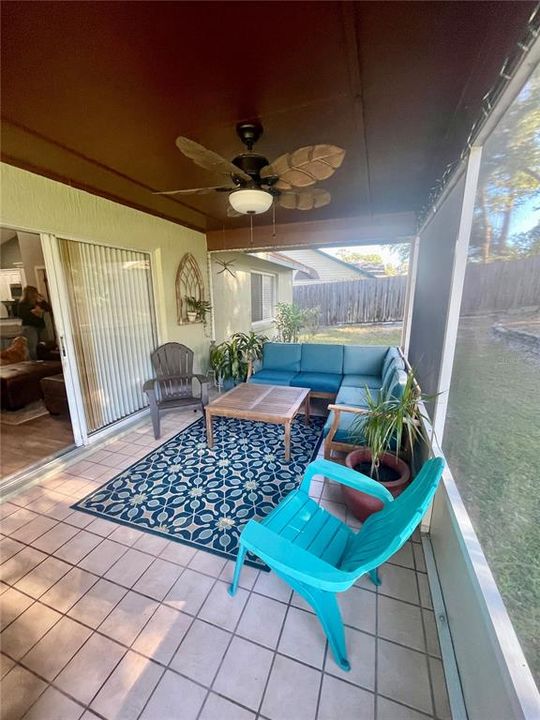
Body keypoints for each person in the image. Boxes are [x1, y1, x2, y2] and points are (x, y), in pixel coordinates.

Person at [17, 285, 51, 360]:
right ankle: (34, 363)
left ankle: (44, 361)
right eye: (35, 292)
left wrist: (42, 301)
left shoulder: (37, 302)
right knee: (32, 347)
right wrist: (32, 311)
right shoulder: (22, 304)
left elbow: (48, 308)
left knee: (44, 345)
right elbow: (21, 315)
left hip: (40, 326)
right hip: (29, 327)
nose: (36, 294)